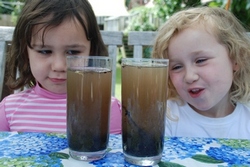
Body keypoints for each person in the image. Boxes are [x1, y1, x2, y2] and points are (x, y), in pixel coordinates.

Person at [0, 0, 121, 134]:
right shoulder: (9, 110)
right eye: (45, 51)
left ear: (91, 52)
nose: (59, 66)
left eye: (73, 52)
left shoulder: (108, 109)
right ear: (25, 52)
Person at [152, 6, 250, 139]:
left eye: (200, 60)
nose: (189, 77)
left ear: (235, 59)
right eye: (176, 67)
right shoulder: (166, 117)